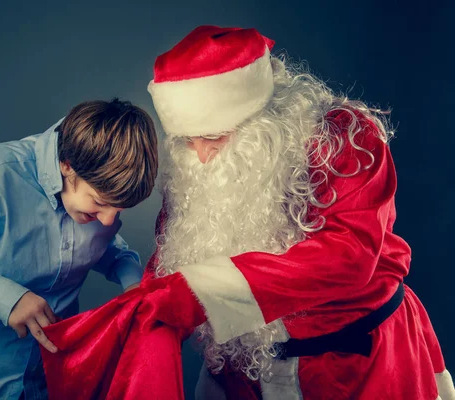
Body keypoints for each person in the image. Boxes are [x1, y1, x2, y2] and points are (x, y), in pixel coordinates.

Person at [141, 25, 455, 399]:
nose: (202, 155)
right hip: (245, 373)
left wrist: (199, 290)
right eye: (187, 139)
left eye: (213, 137)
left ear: (261, 119)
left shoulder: (346, 139)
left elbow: (349, 254)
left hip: (353, 366)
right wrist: (137, 311)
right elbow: (174, 254)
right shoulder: (195, 160)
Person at [0, 98, 158, 400]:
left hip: (50, 385)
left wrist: (135, 283)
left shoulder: (99, 199)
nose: (109, 219)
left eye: (120, 210)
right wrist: (3, 296)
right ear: (67, 165)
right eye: (99, 203)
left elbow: (106, 245)